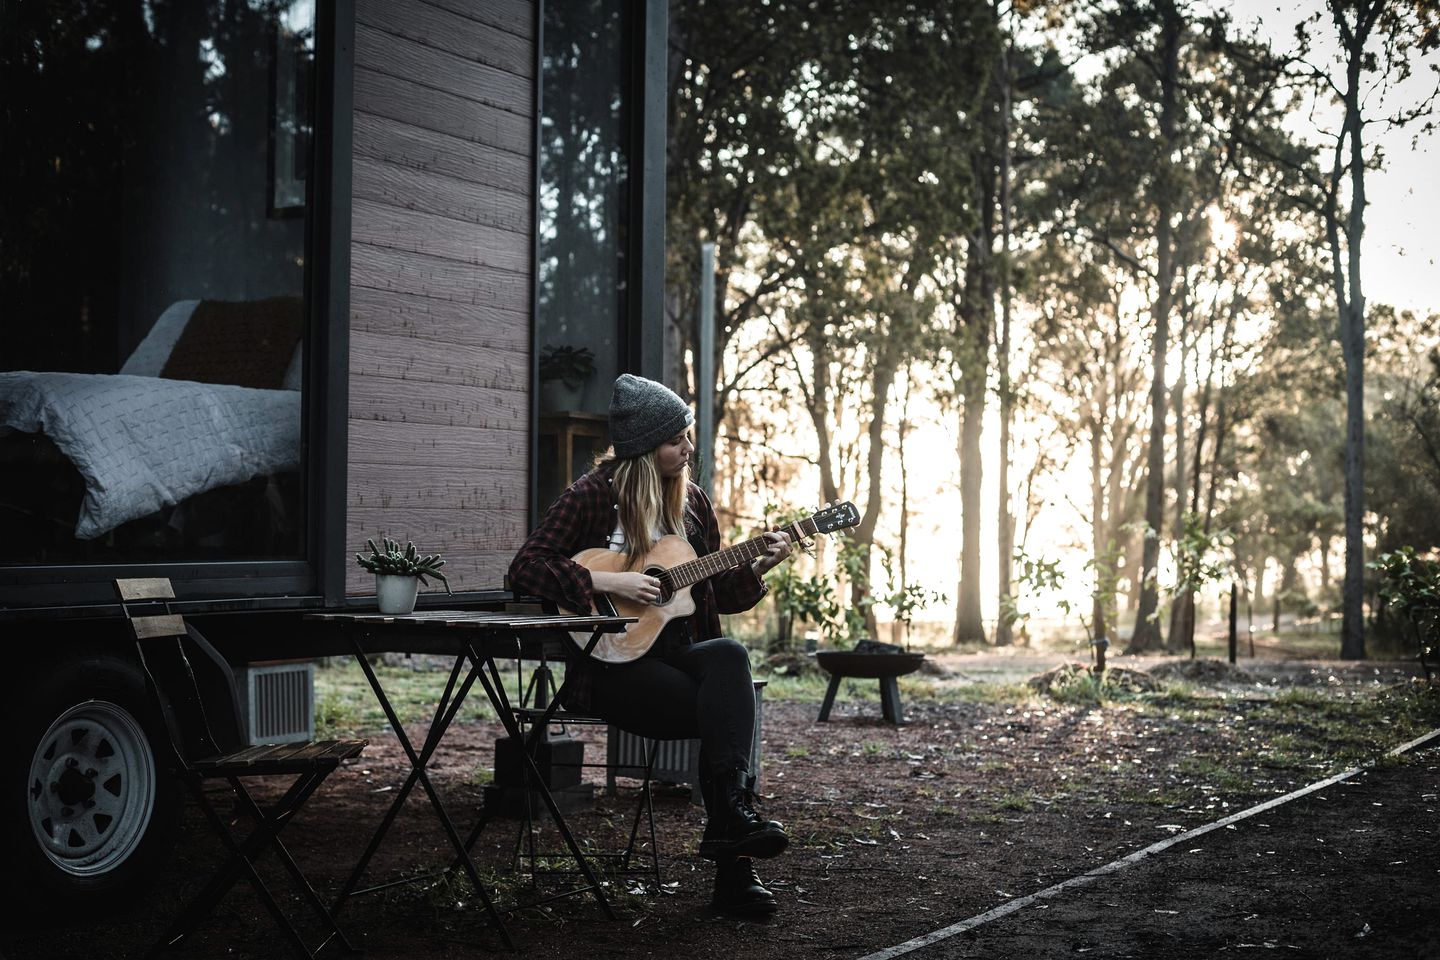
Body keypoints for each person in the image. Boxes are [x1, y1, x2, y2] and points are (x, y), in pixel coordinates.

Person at [509, 373, 793, 918]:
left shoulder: (692, 505)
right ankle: (734, 870)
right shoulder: (591, 497)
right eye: (676, 440)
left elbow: (719, 594)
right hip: (612, 667)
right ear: (643, 449)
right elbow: (525, 568)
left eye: (687, 437)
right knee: (726, 716)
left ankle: (731, 821)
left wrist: (759, 565)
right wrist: (608, 582)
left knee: (729, 656)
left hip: (679, 654)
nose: (689, 449)